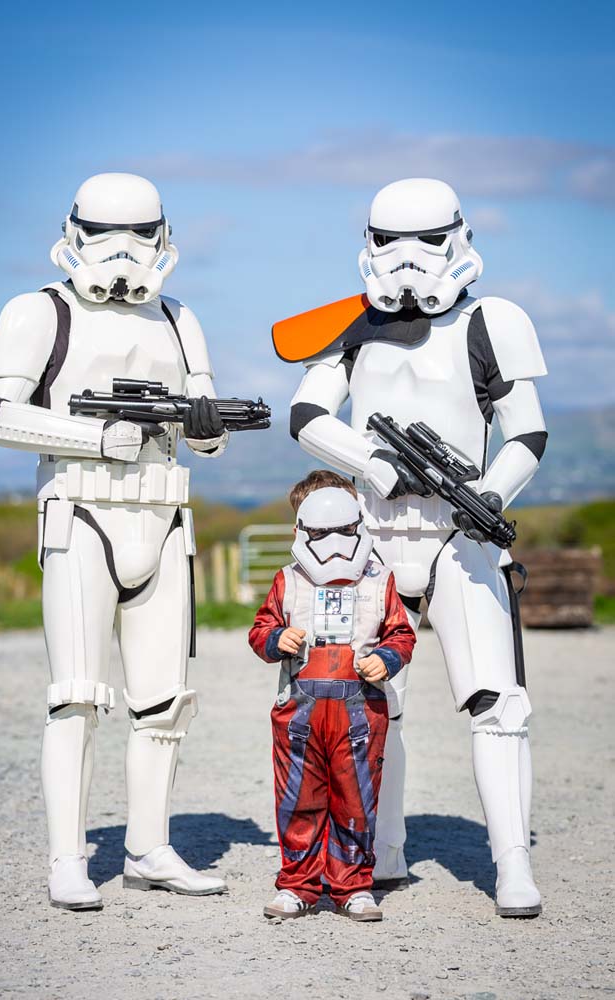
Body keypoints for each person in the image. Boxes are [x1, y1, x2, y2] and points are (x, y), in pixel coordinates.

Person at [274, 178, 548, 917]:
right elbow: (306, 412)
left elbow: (526, 432)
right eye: (389, 241)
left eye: (426, 240)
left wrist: (490, 497)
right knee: (369, 700)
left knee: (497, 703)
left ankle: (511, 862)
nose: (408, 259)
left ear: (457, 238)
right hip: (370, 535)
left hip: (460, 531)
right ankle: (376, 851)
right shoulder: (351, 323)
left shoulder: (492, 321)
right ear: (368, 242)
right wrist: (369, 462)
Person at [0, 173, 229, 910]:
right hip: (80, 511)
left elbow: (204, 433)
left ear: (162, 237)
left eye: (139, 234)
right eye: (105, 233)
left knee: (164, 703)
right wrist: (94, 437)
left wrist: (206, 432)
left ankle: (149, 847)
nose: (123, 250)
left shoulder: (178, 318)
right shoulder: (38, 312)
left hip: (164, 516)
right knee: (76, 697)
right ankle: (68, 858)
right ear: (74, 233)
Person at [249, 471, 416, 921]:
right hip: (299, 709)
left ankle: (352, 885)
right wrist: (277, 638)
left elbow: (401, 633)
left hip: (360, 709)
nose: (335, 543)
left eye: (343, 528)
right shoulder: (289, 580)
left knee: (356, 799)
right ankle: (297, 884)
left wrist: (386, 658)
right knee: (298, 798)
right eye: (322, 531)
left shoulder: (379, 580)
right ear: (302, 527)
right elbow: (261, 629)